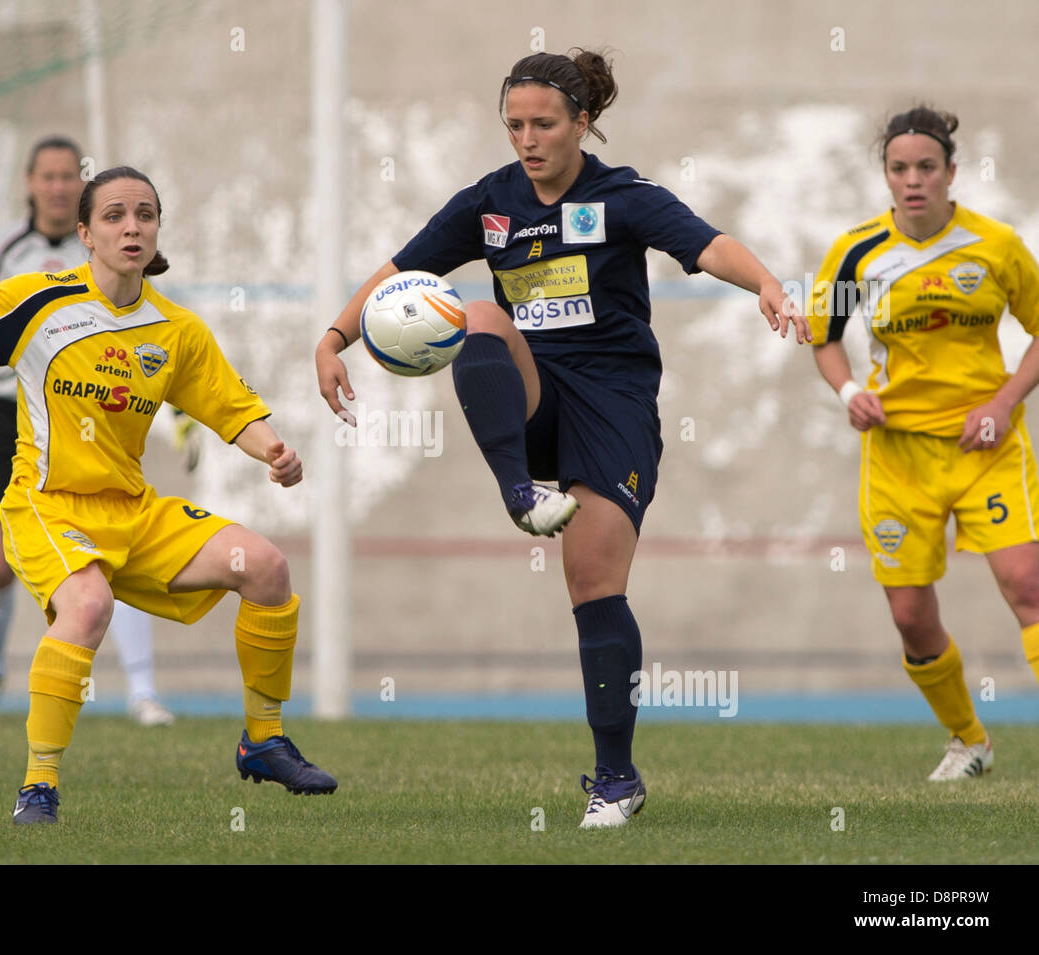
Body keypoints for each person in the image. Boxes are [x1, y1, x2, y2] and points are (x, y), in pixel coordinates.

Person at [316, 49, 808, 828]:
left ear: (583, 122)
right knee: (474, 314)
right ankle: (519, 488)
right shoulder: (491, 203)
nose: (527, 138)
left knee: (593, 582)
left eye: (544, 123)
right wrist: (334, 338)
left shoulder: (623, 195)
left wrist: (770, 284)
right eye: (514, 124)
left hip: (613, 407)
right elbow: (401, 268)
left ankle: (617, 777)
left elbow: (708, 244)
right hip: (535, 394)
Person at [0, 166, 336, 824]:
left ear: (156, 231)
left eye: (145, 214)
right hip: (48, 502)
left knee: (266, 566)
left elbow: (233, 410)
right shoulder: (38, 300)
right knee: (88, 604)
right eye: (117, 215)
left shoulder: (176, 330)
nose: (133, 226)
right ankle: (39, 785)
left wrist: (275, 452)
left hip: (133, 510)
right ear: (87, 233)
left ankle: (262, 740)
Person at [0, 136, 187, 727]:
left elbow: (157, 336)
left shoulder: (107, 252)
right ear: (30, 182)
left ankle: (142, 691)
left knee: (117, 555)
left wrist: (182, 417)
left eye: (68, 177)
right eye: (47, 176)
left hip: (96, 414)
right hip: (11, 415)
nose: (57, 186)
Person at [809, 105, 1039, 780]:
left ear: (951, 172)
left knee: (1026, 582)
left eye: (926, 167)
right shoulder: (855, 250)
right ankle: (969, 740)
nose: (913, 180)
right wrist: (851, 393)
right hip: (898, 456)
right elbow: (823, 337)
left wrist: (1002, 401)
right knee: (911, 615)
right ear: (885, 175)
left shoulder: (996, 246)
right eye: (899, 168)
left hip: (986, 448)